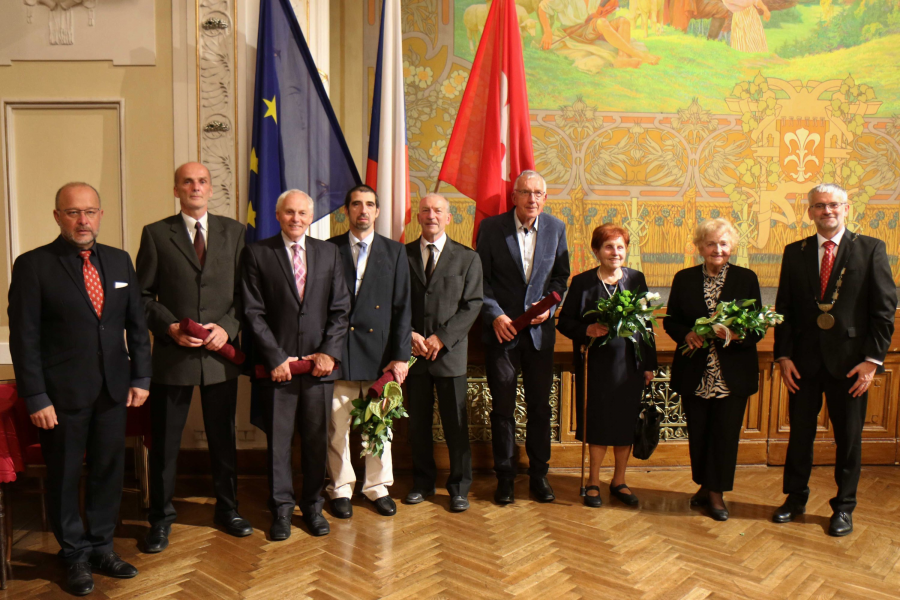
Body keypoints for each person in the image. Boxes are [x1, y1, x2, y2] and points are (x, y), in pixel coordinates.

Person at [8, 182, 152, 596]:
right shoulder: (33, 265)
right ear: (57, 217)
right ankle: (72, 555)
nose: (83, 220)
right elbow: (25, 338)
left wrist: (141, 377)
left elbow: (136, 328)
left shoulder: (120, 261)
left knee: (109, 473)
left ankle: (101, 547)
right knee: (65, 477)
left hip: (113, 392)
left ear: (101, 215)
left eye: (90, 211)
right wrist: (36, 396)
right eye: (73, 212)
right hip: (60, 397)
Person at [136, 163, 251, 553]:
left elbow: (244, 295)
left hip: (220, 357)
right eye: (188, 181)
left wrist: (228, 327)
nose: (195, 187)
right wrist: (168, 327)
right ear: (176, 189)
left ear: (211, 189)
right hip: (173, 357)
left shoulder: (235, 233)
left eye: (202, 181)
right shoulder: (155, 234)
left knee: (224, 439)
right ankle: (160, 519)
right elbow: (142, 298)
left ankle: (228, 509)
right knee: (166, 444)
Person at [773, 183, 896, 536]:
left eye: (834, 205)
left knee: (849, 439)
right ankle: (795, 499)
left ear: (846, 208)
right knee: (800, 436)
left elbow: (883, 311)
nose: (827, 211)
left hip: (852, 365)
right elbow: (784, 311)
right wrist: (783, 355)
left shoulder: (871, 249)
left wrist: (872, 361)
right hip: (803, 365)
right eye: (819, 206)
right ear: (810, 211)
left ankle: (844, 507)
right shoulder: (794, 252)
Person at [241, 190, 351, 540]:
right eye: (289, 212)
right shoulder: (258, 253)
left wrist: (328, 353)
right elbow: (252, 312)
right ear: (277, 215)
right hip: (279, 370)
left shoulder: (329, 253)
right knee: (279, 442)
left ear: (310, 216)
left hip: (319, 371)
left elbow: (340, 309)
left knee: (317, 440)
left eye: (302, 213)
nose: (296, 219)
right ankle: (282, 509)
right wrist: (275, 357)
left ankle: (314, 506)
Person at [476, 170, 570, 504]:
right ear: (514, 196)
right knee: (502, 408)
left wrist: (550, 311)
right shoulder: (491, 229)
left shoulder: (556, 229)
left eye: (538, 193)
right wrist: (495, 314)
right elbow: (480, 281)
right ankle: (505, 476)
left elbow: (561, 278)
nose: (532, 199)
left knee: (540, 408)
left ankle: (539, 475)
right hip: (502, 333)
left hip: (539, 336)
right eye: (526, 192)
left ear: (545, 198)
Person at [663, 218, 762, 521]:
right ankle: (705, 485)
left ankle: (717, 494)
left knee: (724, 434)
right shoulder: (684, 278)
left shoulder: (746, 279)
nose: (716, 249)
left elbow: (757, 328)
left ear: (731, 246)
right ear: (700, 247)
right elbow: (671, 320)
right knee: (700, 434)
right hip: (696, 372)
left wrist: (736, 335)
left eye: (722, 243)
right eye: (710, 243)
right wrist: (686, 334)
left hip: (731, 373)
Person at [326, 185, 412, 518]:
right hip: (340, 352)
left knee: (380, 426)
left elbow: (403, 308)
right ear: (346, 211)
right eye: (357, 204)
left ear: (377, 212)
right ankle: (340, 487)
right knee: (338, 426)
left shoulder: (395, 252)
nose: (363, 210)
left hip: (380, 355)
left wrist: (401, 357)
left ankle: (376, 487)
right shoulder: (329, 249)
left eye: (370, 205)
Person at [557, 223, 656, 508]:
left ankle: (619, 481)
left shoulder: (636, 279)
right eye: (609, 247)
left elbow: (646, 325)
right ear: (597, 251)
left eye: (620, 247)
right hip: (596, 366)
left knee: (625, 424)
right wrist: (587, 330)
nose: (615, 252)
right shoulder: (583, 282)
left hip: (630, 366)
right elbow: (565, 322)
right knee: (598, 424)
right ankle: (593, 481)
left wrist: (648, 364)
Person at [404, 194, 483, 512]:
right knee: (417, 425)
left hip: (449, 357)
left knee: (456, 424)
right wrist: (407, 334)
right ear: (417, 217)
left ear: (449, 218)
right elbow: (394, 303)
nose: (431, 215)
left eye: (438, 211)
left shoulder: (467, 258)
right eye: (425, 210)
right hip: (413, 355)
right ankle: (422, 483)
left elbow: (473, 304)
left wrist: (442, 338)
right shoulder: (403, 255)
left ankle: (459, 487)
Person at [538, 0, 660, 71]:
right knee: (600, 22)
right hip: (573, 32)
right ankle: (639, 54)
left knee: (624, 21)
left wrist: (605, 12)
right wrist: (547, 31)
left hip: (591, 29)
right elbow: (543, 7)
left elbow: (599, 15)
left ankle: (622, 59)